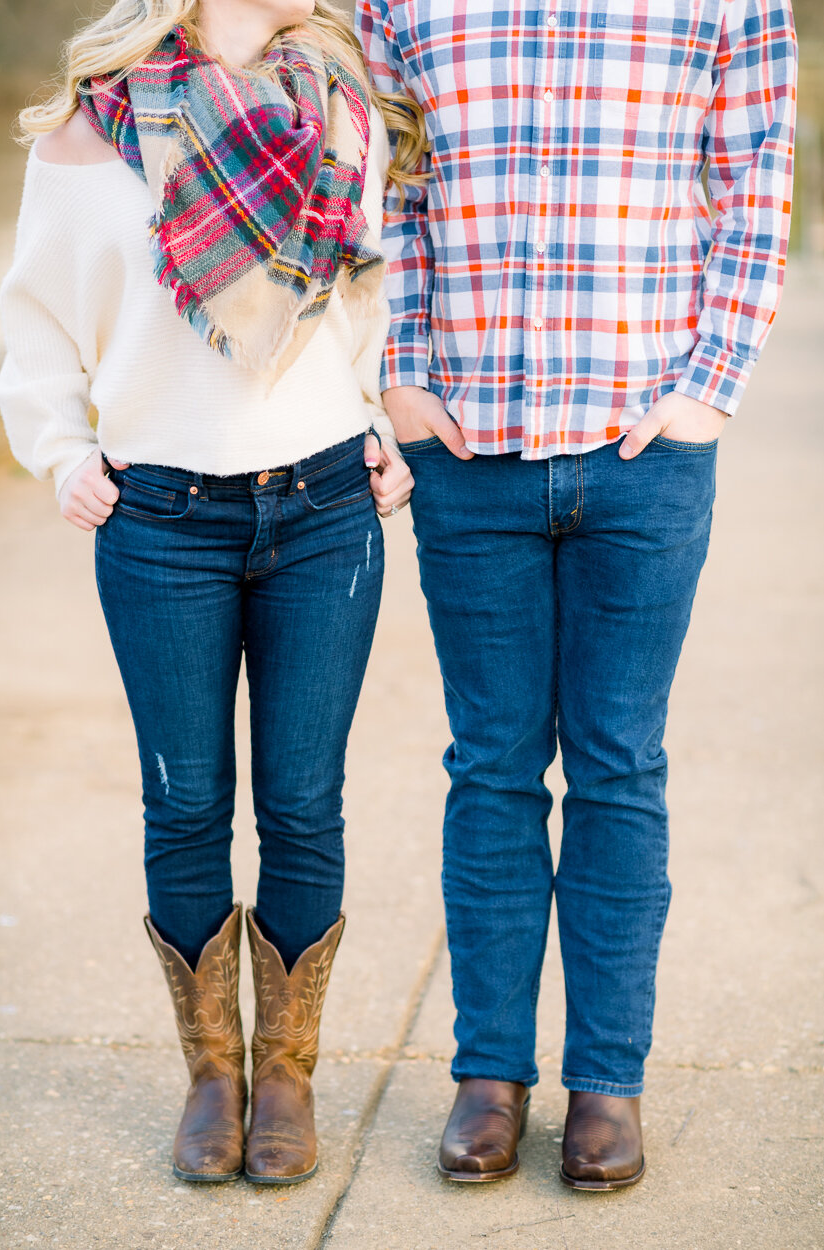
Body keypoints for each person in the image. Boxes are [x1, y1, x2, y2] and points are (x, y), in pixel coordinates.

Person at [359, 0, 797, 1190]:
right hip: (469, 443)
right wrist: (398, 375)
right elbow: (387, 188)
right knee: (491, 762)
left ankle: (606, 1078)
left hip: (641, 443)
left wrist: (710, 385)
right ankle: (487, 1074)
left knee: (618, 763)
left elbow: (756, 170)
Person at [0, 0, 426, 1187]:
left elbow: (367, 297)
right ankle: (213, 1078)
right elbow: (31, 322)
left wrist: (380, 410)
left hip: (328, 504)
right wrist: (62, 449)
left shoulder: (344, 117)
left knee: (301, 800)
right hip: (162, 518)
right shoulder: (90, 133)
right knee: (183, 804)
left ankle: (284, 1072)